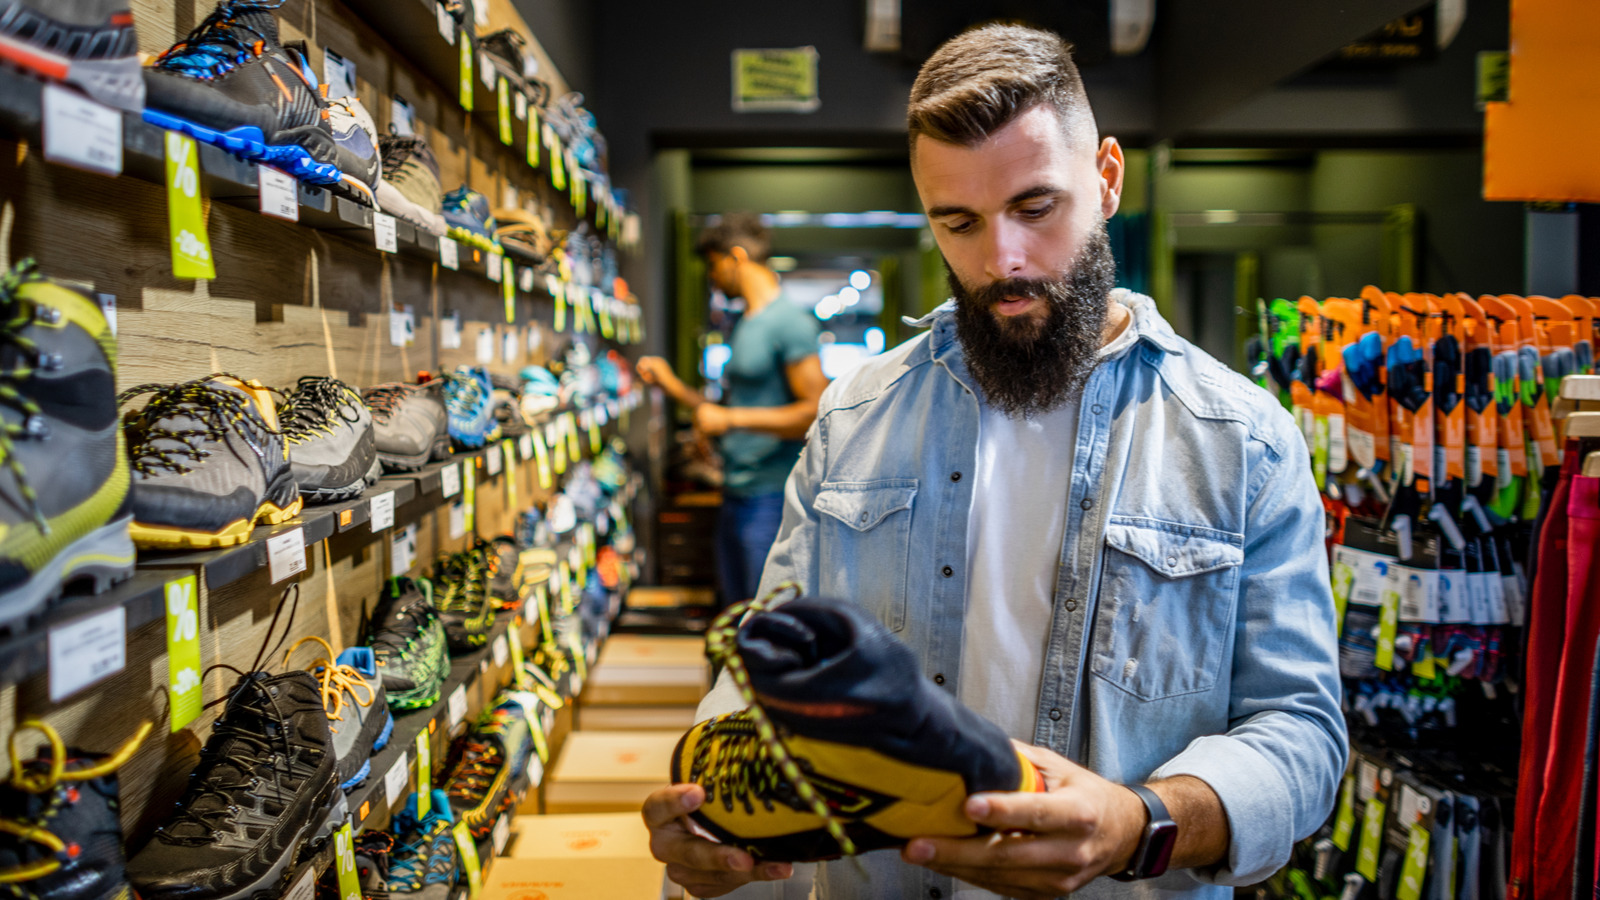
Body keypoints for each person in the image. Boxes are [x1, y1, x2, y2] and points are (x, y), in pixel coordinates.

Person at [641, 23, 1347, 900]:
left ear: (1108, 178)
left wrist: (1141, 822)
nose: (1001, 259)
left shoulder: (1244, 438)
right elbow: (768, 675)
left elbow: (1301, 732)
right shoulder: (854, 417)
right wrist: (708, 822)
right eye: (959, 222)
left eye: (1035, 207)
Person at [636, 213, 829, 608]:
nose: (711, 277)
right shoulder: (745, 324)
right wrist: (672, 386)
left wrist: (730, 420)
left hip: (772, 495)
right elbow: (730, 410)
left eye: (713, 265)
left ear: (737, 257)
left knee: (767, 618)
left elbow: (815, 412)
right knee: (736, 613)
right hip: (736, 489)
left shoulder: (789, 323)